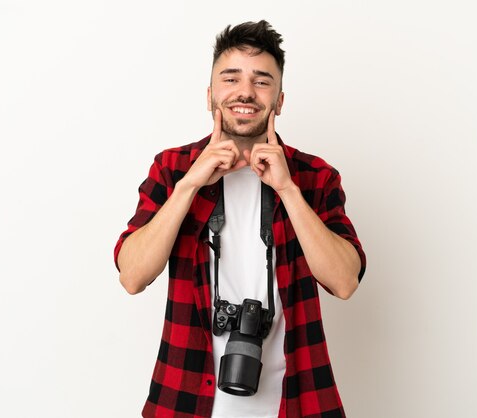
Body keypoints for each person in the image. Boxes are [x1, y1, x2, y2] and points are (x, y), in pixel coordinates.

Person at [114, 20, 366, 418]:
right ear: (210, 95)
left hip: (297, 403)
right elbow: (132, 275)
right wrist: (189, 186)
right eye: (231, 78)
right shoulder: (173, 168)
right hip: (186, 400)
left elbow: (345, 281)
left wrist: (287, 190)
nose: (245, 91)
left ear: (279, 101)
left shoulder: (315, 176)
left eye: (262, 81)